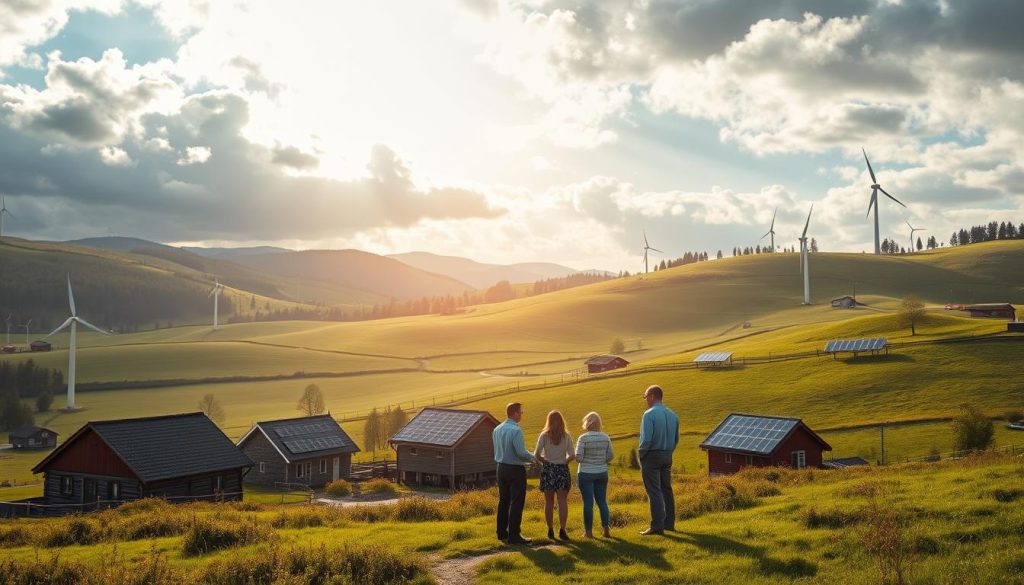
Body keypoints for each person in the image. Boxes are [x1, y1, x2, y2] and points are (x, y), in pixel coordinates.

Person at [638, 384, 679, 535]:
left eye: (646, 397)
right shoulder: (673, 414)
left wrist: (641, 454)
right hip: (668, 454)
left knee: (654, 491)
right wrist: (668, 452)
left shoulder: (648, 415)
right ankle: (669, 523)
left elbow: (646, 440)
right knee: (667, 490)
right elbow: (676, 439)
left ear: (653, 396)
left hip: (652, 455)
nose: (646, 400)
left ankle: (656, 526)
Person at [492, 402, 535, 545]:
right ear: (515, 413)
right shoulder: (516, 430)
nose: (522, 415)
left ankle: (501, 532)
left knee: (503, 500)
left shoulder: (497, 429)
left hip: (500, 467)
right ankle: (514, 535)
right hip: (515, 469)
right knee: (516, 501)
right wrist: (533, 458)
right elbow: (521, 453)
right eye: (521, 412)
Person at [534, 410, 574, 541]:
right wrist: (564, 462)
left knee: (549, 502)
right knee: (562, 501)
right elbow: (572, 455)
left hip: (548, 469)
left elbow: (536, 455)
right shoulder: (566, 436)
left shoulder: (544, 435)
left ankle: (550, 529)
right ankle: (562, 530)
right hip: (562, 469)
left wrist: (545, 461)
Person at [574, 411, 613, 538]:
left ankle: (588, 532)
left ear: (587, 423)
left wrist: (588, 460)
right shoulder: (605, 437)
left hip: (586, 473)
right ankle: (606, 529)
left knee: (588, 503)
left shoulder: (583, 438)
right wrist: (601, 461)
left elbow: (578, 458)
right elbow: (610, 456)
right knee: (602, 501)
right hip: (602, 472)